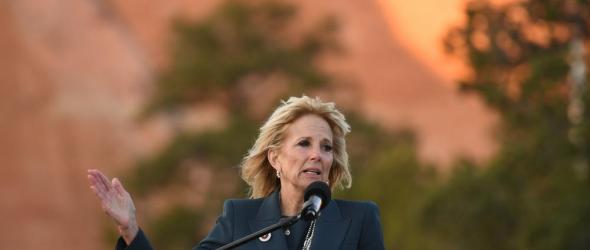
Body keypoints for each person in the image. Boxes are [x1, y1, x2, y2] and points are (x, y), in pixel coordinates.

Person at [88, 96, 385, 250]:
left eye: (327, 148)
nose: (316, 155)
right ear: (275, 159)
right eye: (304, 143)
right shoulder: (240, 220)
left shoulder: (359, 220)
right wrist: (131, 230)